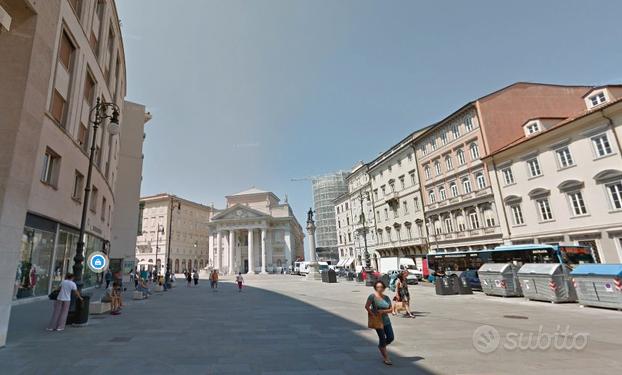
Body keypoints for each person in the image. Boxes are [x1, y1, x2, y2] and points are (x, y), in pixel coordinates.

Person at [365, 280, 394, 365]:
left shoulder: (386, 298)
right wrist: (372, 315)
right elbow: (367, 306)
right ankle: (386, 358)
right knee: (382, 338)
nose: (379, 289)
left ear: (384, 288)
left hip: (386, 321)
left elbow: (391, 309)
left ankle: (381, 346)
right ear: (375, 288)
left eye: (381, 287)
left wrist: (383, 311)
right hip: (377, 321)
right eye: (377, 287)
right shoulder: (372, 296)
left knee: (391, 337)